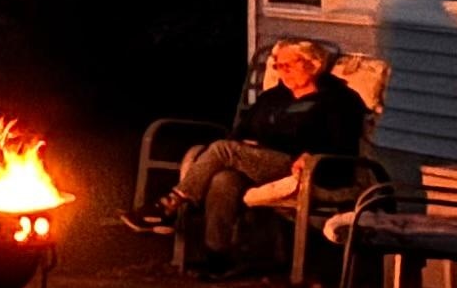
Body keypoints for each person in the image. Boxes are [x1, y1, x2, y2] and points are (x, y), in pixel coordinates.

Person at [147, 42, 369, 266]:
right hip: (258, 161)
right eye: (278, 66)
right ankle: (217, 257)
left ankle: (171, 205)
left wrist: (310, 155)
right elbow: (239, 134)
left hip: (309, 168)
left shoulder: (338, 100)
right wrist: (245, 145)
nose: (282, 71)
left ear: (314, 64)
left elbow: (343, 143)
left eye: (289, 65)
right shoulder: (271, 98)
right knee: (223, 179)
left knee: (223, 149)